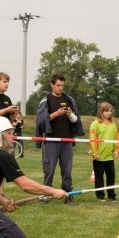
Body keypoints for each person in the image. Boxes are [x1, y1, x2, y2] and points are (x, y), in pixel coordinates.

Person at [35, 74, 84, 202]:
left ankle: (68, 194)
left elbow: (75, 120)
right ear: (52, 85)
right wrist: (57, 113)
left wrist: (70, 114)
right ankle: (46, 194)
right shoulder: (45, 100)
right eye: (58, 85)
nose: (61, 88)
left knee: (67, 170)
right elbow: (41, 121)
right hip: (52, 140)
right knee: (49, 169)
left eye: (62, 85)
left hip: (67, 140)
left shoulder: (69, 99)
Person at [89, 102, 119, 201]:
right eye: (106, 111)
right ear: (101, 112)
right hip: (98, 156)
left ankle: (111, 195)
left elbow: (116, 138)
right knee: (99, 177)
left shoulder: (113, 124)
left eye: (110, 111)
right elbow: (92, 139)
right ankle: (100, 196)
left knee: (111, 175)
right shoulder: (95, 124)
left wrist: (116, 149)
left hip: (109, 156)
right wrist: (95, 153)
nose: (109, 113)